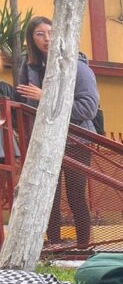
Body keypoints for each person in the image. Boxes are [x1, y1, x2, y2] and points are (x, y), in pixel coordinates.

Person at [17, 15, 100, 249]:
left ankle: (84, 245)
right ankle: (53, 244)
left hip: (76, 141)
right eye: (40, 34)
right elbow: (24, 103)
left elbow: (88, 108)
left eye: (51, 33)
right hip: (43, 141)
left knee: (75, 194)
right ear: (31, 39)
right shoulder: (30, 66)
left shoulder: (78, 66)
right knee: (47, 196)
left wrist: (46, 98)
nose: (47, 39)